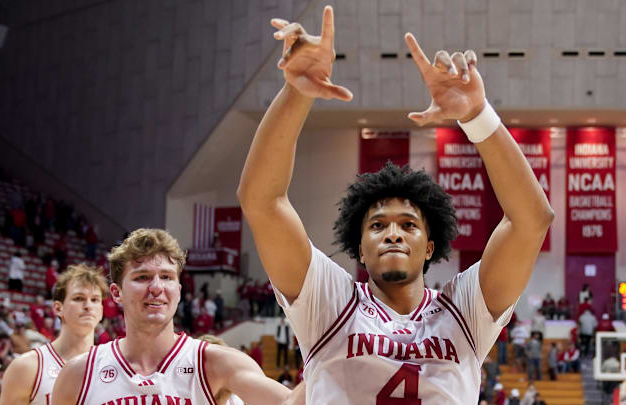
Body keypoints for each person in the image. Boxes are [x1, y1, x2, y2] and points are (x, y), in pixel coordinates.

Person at [236, 5, 553, 403]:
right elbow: (261, 201)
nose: (393, 234)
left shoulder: (465, 310)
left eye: (408, 224)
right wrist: (296, 93)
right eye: (377, 226)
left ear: (430, 247)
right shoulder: (330, 303)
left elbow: (531, 221)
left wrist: (477, 116)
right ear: (361, 250)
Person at [51, 228, 290, 405]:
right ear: (116, 293)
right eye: (142, 277)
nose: (156, 287)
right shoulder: (79, 374)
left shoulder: (218, 363)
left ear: (178, 290)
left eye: (166, 277)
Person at [0, 264, 108, 405]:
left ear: (101, 310)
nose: (88, 305)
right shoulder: (27, 367)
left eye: (95, 300)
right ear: (58, 308)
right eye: (79, 298)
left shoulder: (111, 368)